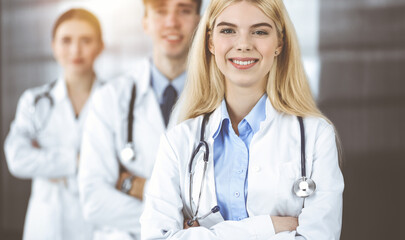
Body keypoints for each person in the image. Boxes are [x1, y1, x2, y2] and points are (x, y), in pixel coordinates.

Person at [140, 0, 344, 239]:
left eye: (259, 31)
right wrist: (268, 227)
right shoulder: (178, 142)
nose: (244, 44)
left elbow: (320, 235)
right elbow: (156, 236)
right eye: (228, 30)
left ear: (280, 42)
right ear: (210, 42)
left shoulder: (316, 136)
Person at [77, 0, 201, 239]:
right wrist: (175, 221)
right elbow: (94, 201)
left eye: (184, 10)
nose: (171, 22)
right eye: (160, 11)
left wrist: (133, 185)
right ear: (145, 22)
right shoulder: (110, 98)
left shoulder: (219, 101)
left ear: (199, 20)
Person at [4, 8, 104, 240]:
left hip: (98, 225)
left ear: (100, 46)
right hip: (47, 224)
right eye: (66, 40)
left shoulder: (115, 101)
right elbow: (17, 158)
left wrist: (48, 162)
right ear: (53, 46)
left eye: (86, 40)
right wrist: (77, 161)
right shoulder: (34, 100)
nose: (75, 50)